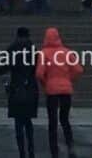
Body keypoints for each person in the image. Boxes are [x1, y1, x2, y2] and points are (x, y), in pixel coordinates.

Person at [35, 27, 83, 158]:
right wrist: (68, 79)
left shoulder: (44, 53)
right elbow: (78, 69)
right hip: (66, 89)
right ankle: (70, 145)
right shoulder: (66, 52)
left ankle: (54, 151)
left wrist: (45, 83)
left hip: (51, 90)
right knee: (65, 119)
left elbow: (39, 73)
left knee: (53, 121)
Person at [0, 26, 39, 158]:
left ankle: (22, 152)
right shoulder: (34, 50)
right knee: (28, 122)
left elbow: (5, 67)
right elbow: (38, 69)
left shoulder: (12, 48)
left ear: (17, 35)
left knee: (18, 122)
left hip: (16, 89)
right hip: (31, 89)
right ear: (28, 35)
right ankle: (31, 151)